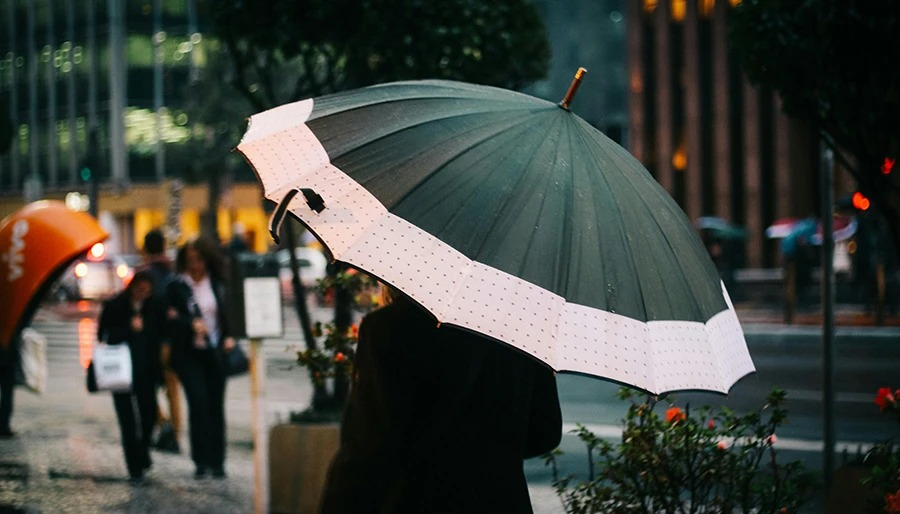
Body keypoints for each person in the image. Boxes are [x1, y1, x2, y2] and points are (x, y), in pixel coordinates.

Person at [319, 288, 563, 514]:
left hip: (416, 500)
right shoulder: (521, 333)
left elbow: (368, 449)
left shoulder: (389, 328)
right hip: (499, 502)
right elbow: (544, 431)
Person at [165, 237, 236, 479]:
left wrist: (229, 336)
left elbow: (227, 314)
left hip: (215, 352)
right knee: (198, 403)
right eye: (190, 260)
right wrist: (189, 325)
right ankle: (201, 461)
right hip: (189, 354)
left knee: (216, 405)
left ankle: (218, 461)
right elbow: (169, 320)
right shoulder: (178, 286)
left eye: (199, 259)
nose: (195, 265)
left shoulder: (216, 283)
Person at [96, 270, 163, 483]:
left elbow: (159, 335)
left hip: (146, 370)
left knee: (149, 415)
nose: (143, 293)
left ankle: (142, 453)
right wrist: (129, 329)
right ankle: (134, 467)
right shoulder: (116, 305)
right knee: (128, 421)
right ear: (133, 286)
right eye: (140, 289)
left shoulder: (153, 307)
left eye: (147, 290)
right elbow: (103, 335)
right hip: (121, 370)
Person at [141, 228, 182, 453]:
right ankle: (175, 434)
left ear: (146, 248)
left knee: (146, 387)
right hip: (173, 339)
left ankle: (163, 424)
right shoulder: (172, 272)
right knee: (172, 389)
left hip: (152, 341)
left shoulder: (144, 275)